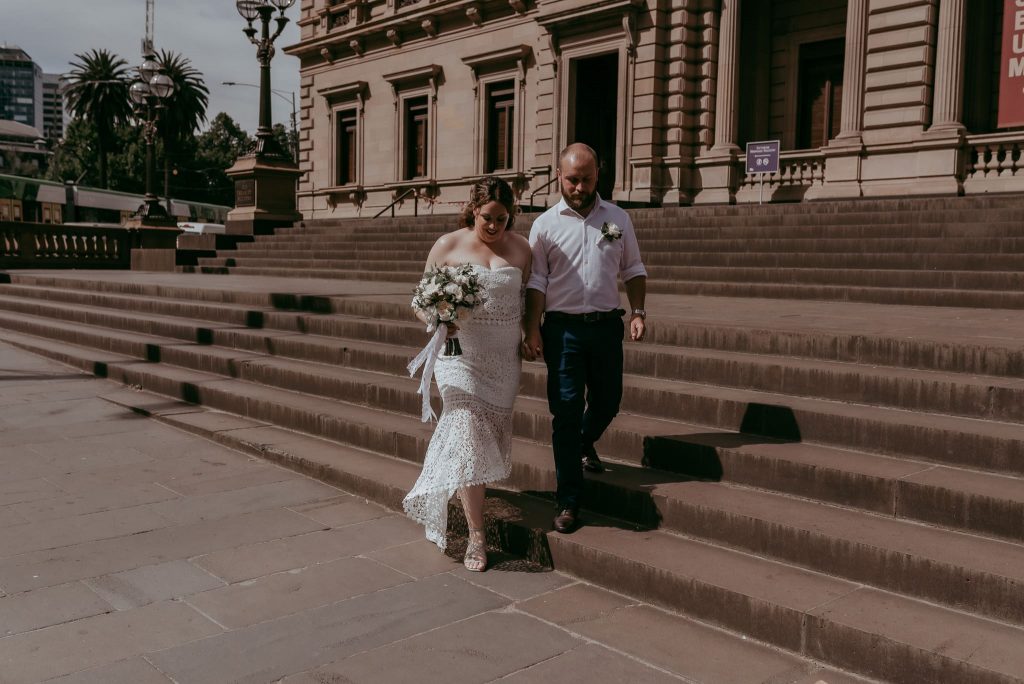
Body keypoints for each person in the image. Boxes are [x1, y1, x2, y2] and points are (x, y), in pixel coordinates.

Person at [404, 176, 532, 572]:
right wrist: (440, 316)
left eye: (502, 219)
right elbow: (418, 302)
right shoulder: (448, 245)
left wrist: (532, 333)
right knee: (468, 433)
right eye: (487, 218)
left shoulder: (522, 249)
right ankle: (478, 536)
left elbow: (527, 301)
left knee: (483, 438)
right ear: (473, 210)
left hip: (503, 361)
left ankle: (470, 498)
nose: (494, 227)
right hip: (459, 358)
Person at [522, 143, 647, 534]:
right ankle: (569, 499)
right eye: (572, 179)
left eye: (587, 179)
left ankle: (582, 442)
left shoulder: (618, 218)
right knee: (566, 411)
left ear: (599, 176)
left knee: (609, 400)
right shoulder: (544, 225)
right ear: (559, 175)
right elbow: (536, 281)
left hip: (606, 326)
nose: (579, 187)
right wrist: (531, 328)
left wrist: (639, 312)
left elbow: (633, 268)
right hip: (563, 330)